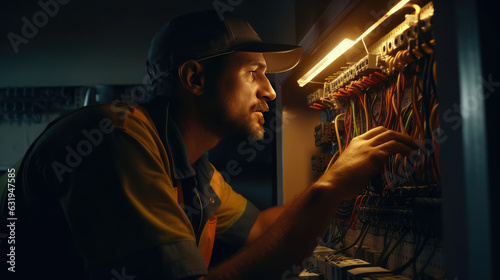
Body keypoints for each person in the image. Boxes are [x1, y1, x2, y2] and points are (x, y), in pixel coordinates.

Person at [1, 9, 417, 280]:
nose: (270, 92)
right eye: (254, 72)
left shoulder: (194, 169)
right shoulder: (115, 140)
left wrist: (334, 180)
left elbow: (262, 230)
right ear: (195, 78)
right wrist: (331, 188)